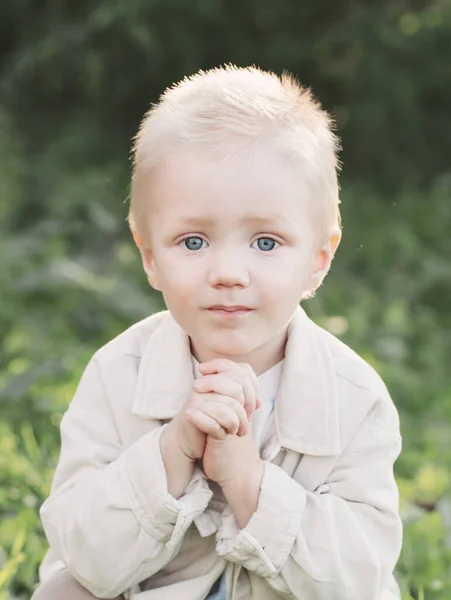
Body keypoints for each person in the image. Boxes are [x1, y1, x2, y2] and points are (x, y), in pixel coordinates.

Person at [32, 65, 403, 600]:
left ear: (319, 259)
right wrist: (171, 452)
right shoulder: (117, 376)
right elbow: (83, 553)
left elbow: (357, 574)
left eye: (267, 243)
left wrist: (251, 485)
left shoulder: (355, 399)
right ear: (149, 255)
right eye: (193, 241)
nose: (228, 271)